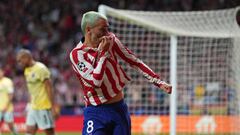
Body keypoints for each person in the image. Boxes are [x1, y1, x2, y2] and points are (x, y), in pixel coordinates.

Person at [69, 11, 172, 135]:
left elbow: (134, 61)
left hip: (119, 108)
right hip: (95, 111)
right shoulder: (77, 54)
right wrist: (103, 54)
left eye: (108, 29)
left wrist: (158, 81)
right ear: (88, 29)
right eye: (103, 29)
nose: (107, 33)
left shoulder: (111, 40)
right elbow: (95, 82)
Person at [16, 49, 58, 135]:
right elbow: (31, 90)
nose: (20, 64)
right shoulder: (26, 70)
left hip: (44, 106)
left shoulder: (41, 69)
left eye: (20, 61)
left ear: (27, 58)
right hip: (33, 106)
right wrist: (28, 105)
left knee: (49, 133)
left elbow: (49, 88)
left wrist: (53, 107)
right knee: (29, 131)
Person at [0, 66, 18, 135]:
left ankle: (15, 133)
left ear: (3, 72)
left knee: (10, 125)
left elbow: (11, 95)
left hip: (7, 108)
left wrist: (6, 106)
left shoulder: (8, 81)